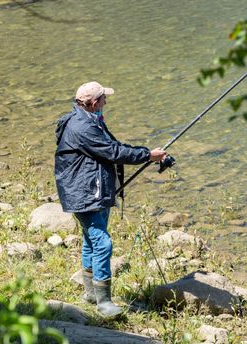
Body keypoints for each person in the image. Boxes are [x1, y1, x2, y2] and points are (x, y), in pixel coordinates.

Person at [54, 81, 167, 317]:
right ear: (94, 103)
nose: (107, 102)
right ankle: (104, 303)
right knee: (103, 243)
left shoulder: (88, 120)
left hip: (91, 190)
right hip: (86, 194)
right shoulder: (82, 127)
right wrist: (148, 155)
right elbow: (113, 152)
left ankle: (91, 293)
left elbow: (113, 146)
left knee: (91, 241)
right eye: (104, 99)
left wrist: (147, 153)